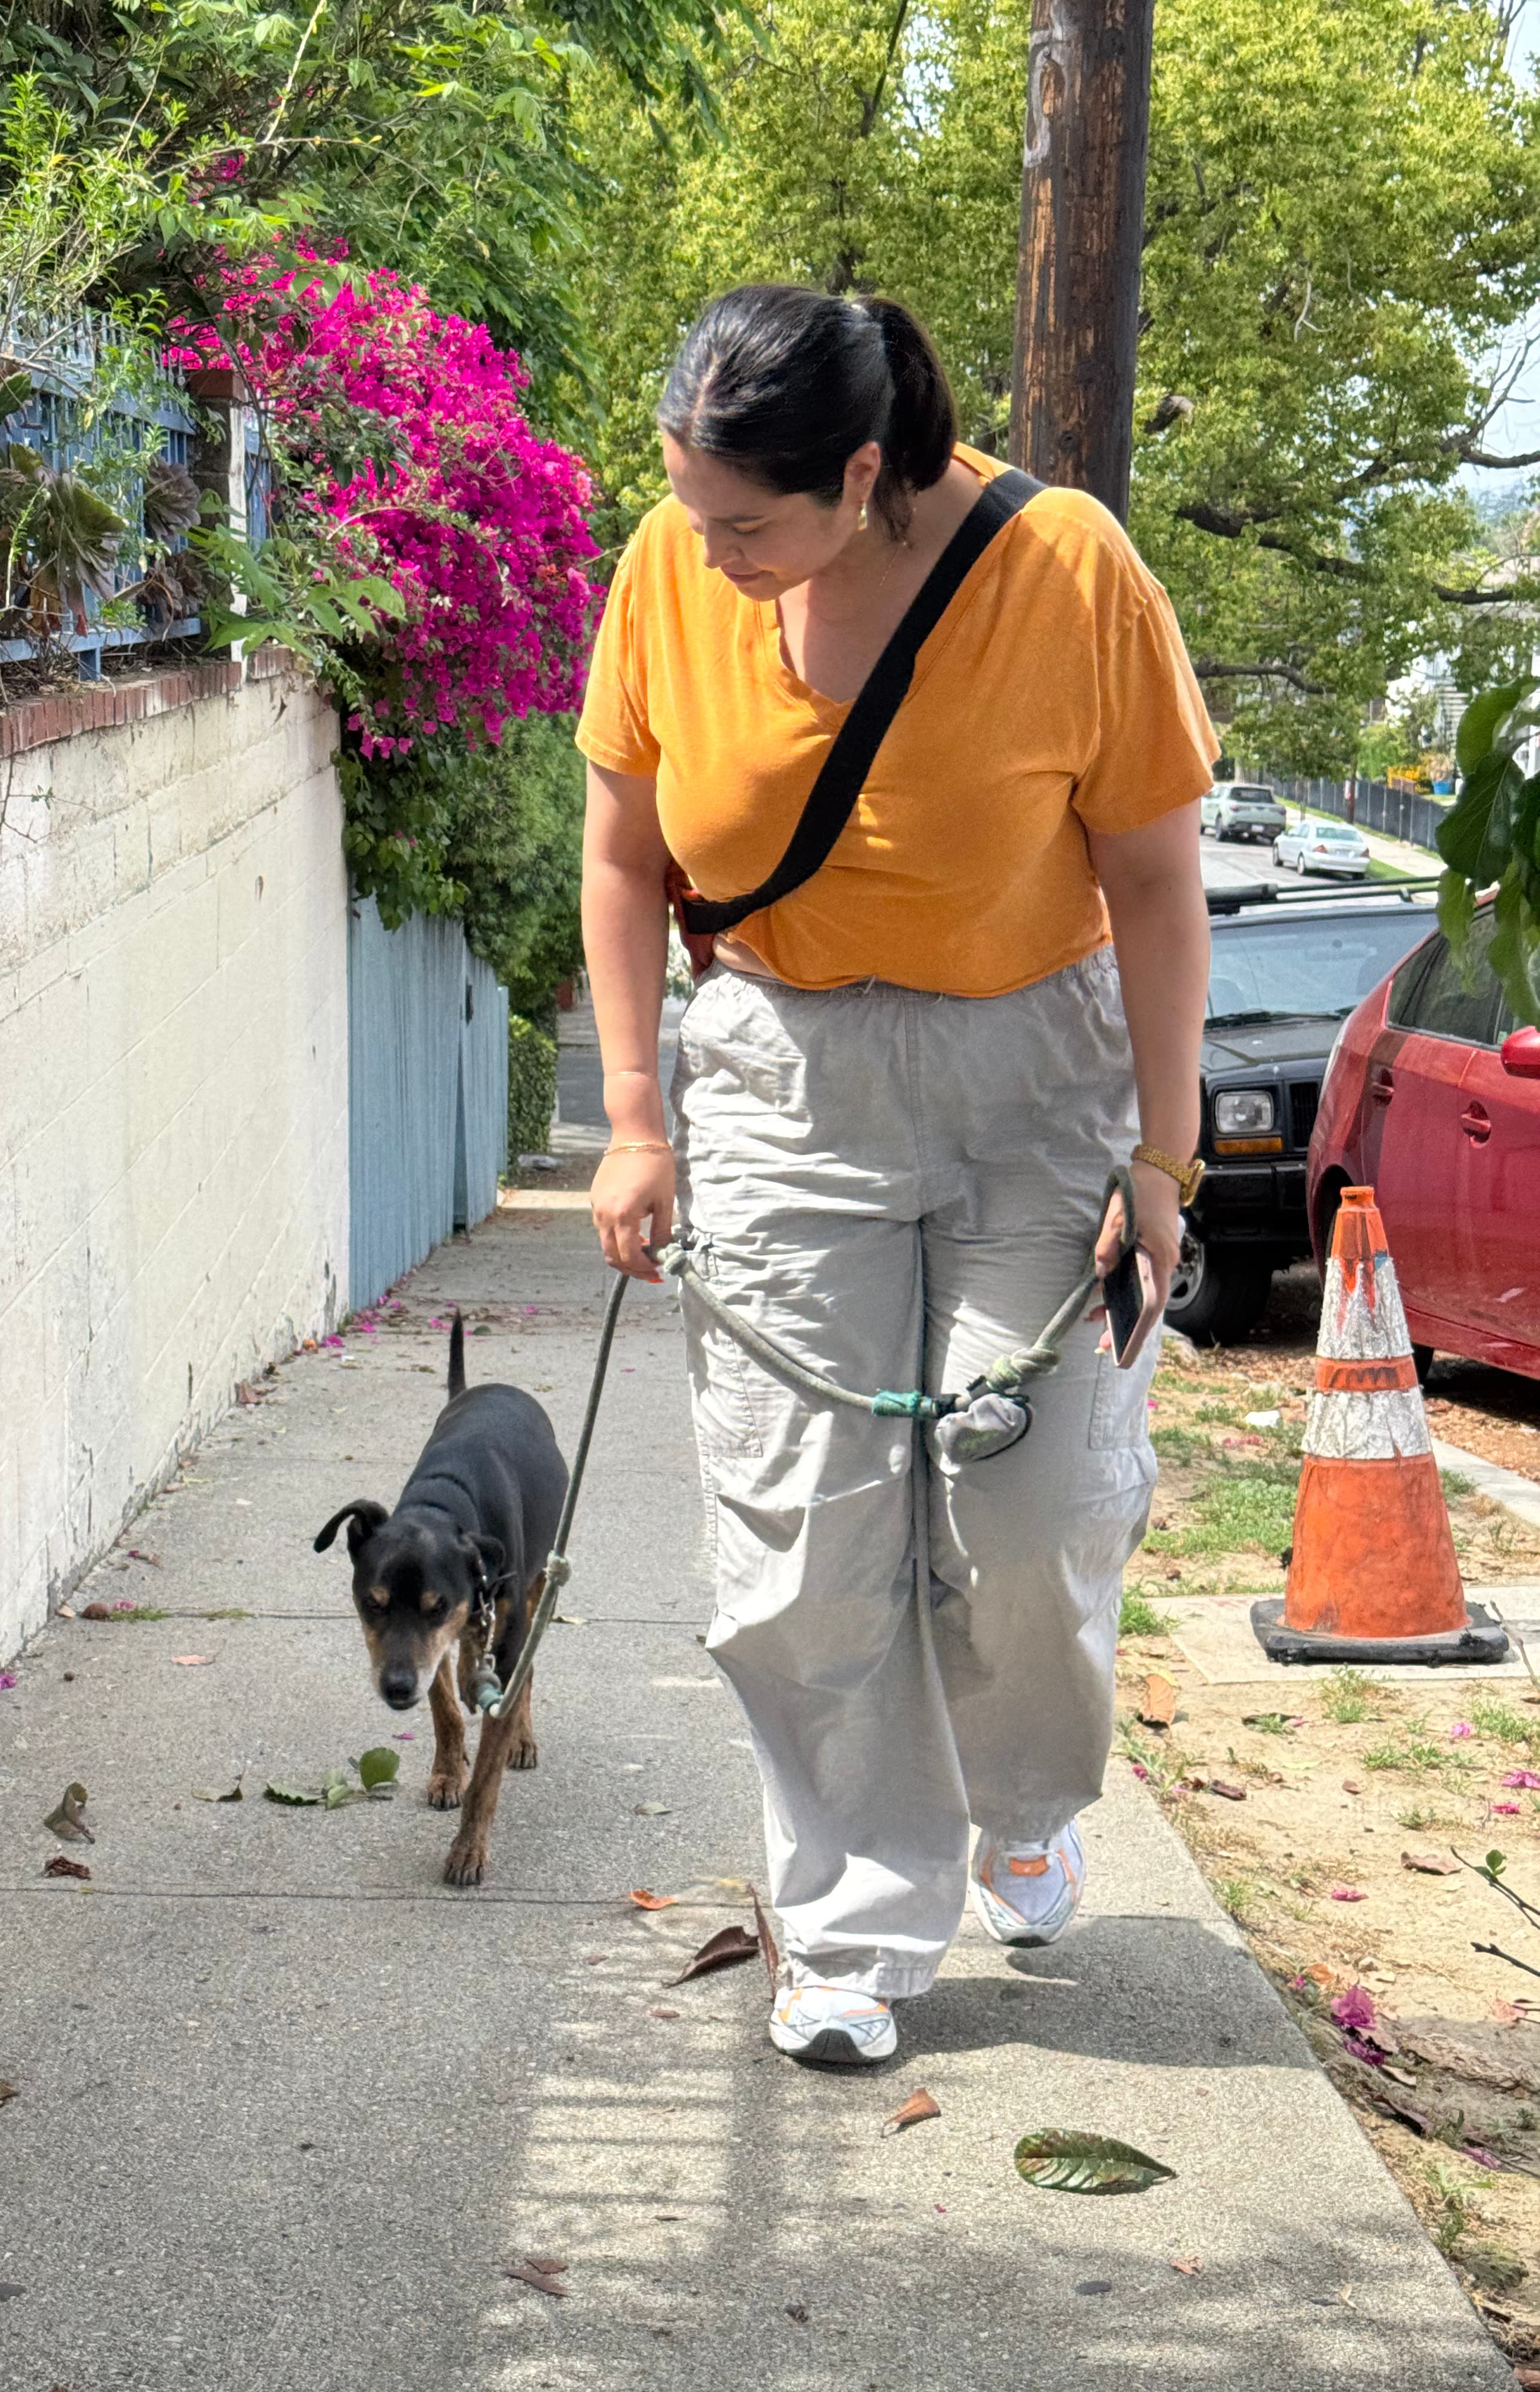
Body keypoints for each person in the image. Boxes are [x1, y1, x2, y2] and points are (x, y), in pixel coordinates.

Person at [576, 284, 1215, 2068]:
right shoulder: (671, 565)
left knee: (1031, 1504)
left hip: (1039, 1072)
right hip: (782, 1077)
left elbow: (1158, 886)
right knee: (801, 1539)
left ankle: (1022, 1796)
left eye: (746, 527)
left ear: (864, 472)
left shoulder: (1069, 572)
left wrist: (1160, 1161)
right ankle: (851, 1921)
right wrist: (638, 1116)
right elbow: (624, 858)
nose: (703, 559)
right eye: (689, 513)